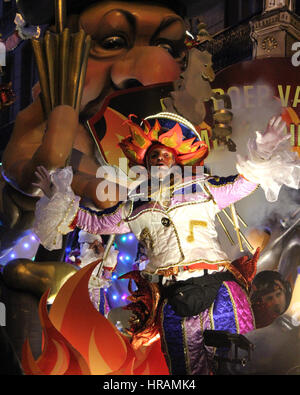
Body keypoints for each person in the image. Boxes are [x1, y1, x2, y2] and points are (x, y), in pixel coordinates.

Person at [32, 111, 300, 375]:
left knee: (235, 364)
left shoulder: (202, 187)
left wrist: (261, 153)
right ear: (145, 163)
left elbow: (244, 184)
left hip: (219, 291)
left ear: (177, 161)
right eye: (153, 156)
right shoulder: (134, 207)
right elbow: (94, 223)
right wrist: (57, 198)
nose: (159, 159)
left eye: (165, 155)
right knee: (185, 372)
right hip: (175, 299)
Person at [66, 230, 119, 315]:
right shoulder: (76, 255)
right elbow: (78, 264)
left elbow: (109, 268)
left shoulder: (102, 255)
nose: (92, 246)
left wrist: (105, 252)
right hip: (82, 285)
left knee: (98, 307)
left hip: (97, 285)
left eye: (96, 244)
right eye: (86, 244)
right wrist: (89, 248)